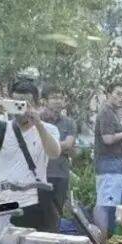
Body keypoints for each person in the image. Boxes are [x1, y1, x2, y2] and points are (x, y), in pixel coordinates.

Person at [0, 79, 60, 232]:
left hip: (32, 202)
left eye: (25, 103)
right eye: (16, 103)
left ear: (36, 105)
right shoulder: (0, 126)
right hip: (1, 202)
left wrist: (38, 123)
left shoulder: (48, 129)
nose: (20, 109)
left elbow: (54, 153)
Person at [93, 82, 122, 233]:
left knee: (108, 203)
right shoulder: (106, 112)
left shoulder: (112, 112)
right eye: (118, 94)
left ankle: (104, 238)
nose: (121, 98)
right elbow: (108, 139)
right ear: (109, 94)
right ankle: (101, 241)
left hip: (113, 163)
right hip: (109, 163)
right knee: (104, 204)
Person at [39, 86, 77, 231]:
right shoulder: (37, 120)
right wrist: (58, 146)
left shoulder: (69, 122)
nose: (58, 101)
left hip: (61, 174)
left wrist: (46, 145)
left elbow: (69, 145)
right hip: (40, 174)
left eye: (61, 98)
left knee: (56, 214)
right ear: (44, 101)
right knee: (38, 213)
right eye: (54, 97)